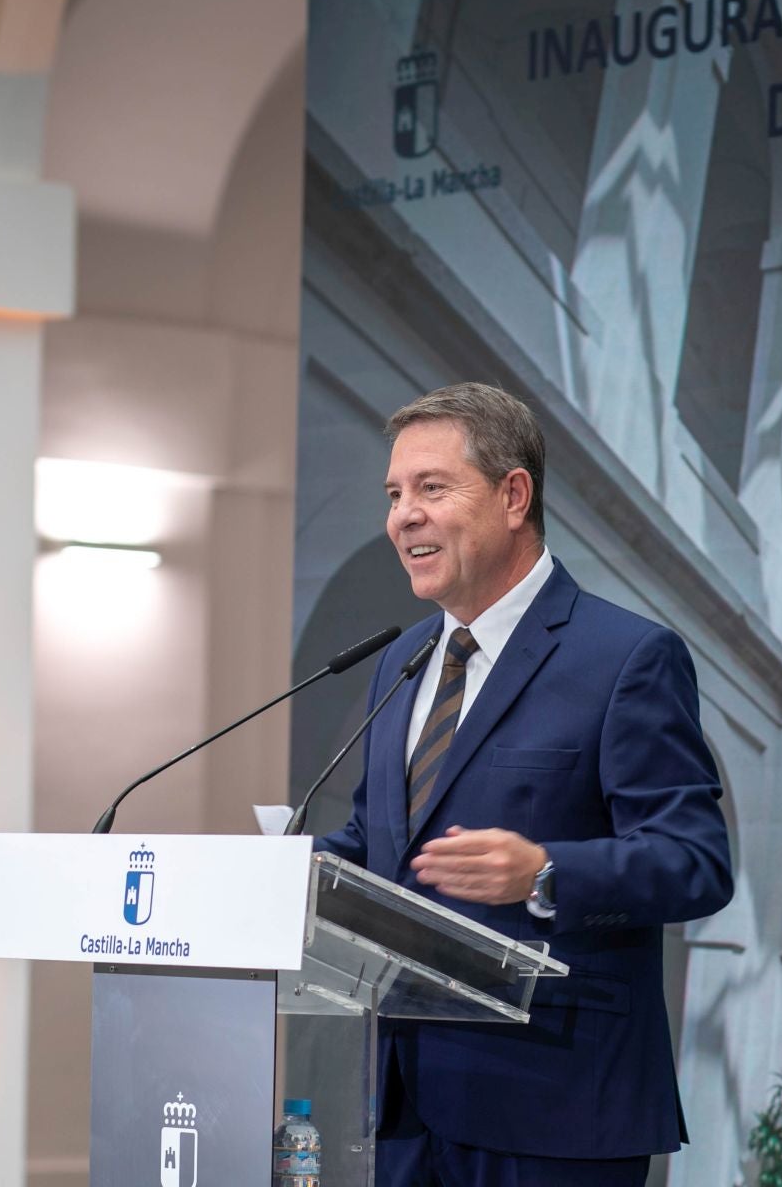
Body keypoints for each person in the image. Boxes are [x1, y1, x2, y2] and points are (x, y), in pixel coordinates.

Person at [316, 382, 734, 1186]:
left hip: (557, 1108)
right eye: (395, 494)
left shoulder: (626, 659)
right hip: (402, 1106)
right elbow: (379, 847)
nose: (403, 515)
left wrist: (547, 872)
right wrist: (281, 873)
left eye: (432, 488)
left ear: (514, 495)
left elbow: (695, 860)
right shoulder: (403, 663)